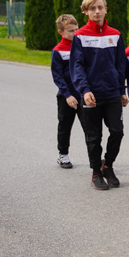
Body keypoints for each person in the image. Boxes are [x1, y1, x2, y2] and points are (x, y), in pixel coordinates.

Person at [70, 0, 128, 191]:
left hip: (112, 93)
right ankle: (96, 172)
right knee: (94, 137)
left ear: (105, 9)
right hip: (91, 95)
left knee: (118, 132)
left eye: (100, 7)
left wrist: (122, 91)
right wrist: (84, 90)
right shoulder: (80, 36)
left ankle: (108, 165)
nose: (97, 11)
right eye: (92, 8)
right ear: (85, 11)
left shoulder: (116, 34)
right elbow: (77, 66)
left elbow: (121, 64)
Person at [51, 14, 83, 169]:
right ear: (61, 32)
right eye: (71, 31)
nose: (75, 33)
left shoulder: (82, 47)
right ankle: (63, 155)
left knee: (91, 128)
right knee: (65, 126)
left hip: (84, 95)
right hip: (67, 97)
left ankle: (95, 157)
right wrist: (68, 95)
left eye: (76, 29)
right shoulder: (58, 51)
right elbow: (57, 77)